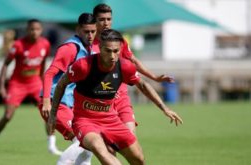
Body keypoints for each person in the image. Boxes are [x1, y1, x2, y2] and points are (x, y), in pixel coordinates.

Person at [47, 29, 183, 164]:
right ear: (99, 48)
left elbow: (142, 85)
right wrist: (53, 114)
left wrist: (165, 108)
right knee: (99, 148)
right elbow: (61, 84)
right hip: (85, 121)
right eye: (108, 51)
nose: (112, 56)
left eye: (116, 51)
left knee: (138, 159)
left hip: (111, 120)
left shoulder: (125, 67)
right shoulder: (83, 66)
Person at [92, 4, 175, 134]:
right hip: (98, 102)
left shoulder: (118, 41)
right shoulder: (87, 45)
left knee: (130, 139)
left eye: (109, 19)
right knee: (106, 148)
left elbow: (133, 61)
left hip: (121, 99)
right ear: (94, 21)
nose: (106, 23)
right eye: (102, 19)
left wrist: (154, 77)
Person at [0, 19, 61, 155]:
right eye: (32, 29)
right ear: (27, 30)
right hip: (17, 84)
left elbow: (43, 64)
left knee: (47, 113)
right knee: (8, 115)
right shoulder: (18, 45)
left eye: (37, 29)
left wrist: (44, 82)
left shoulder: (45, 44)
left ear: (41, 30)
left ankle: (51, 145)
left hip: (35, 83)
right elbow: (5, 64)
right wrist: (2, 87)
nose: (34, 32)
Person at [41, 13, 96, 164]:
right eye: (86, 31)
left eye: (93, 31)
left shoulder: (89, 48)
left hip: (70, 103)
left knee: (89, 143)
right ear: (78, 29)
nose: (90, 35)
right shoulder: (70, 48)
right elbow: (49, 73)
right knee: (81, 140)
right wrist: (46, 102)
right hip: (55, 102)